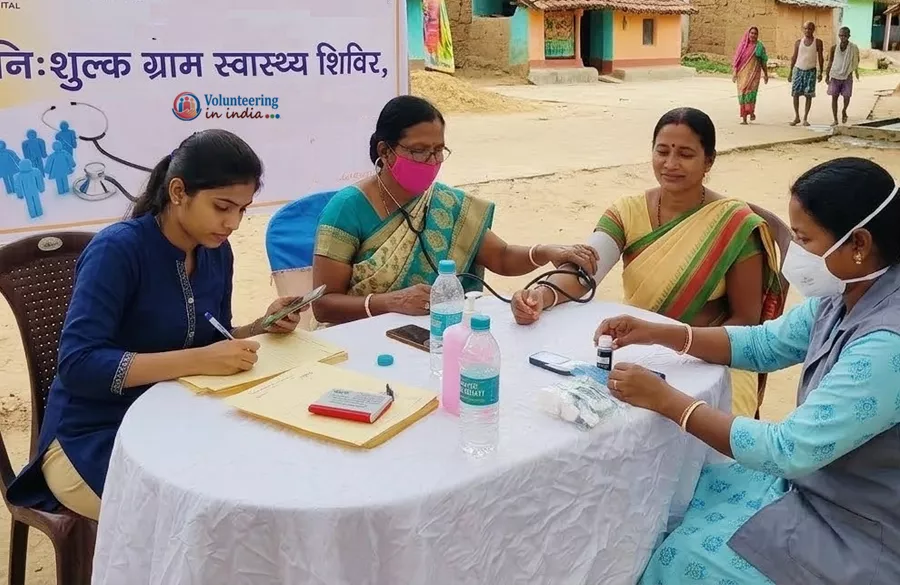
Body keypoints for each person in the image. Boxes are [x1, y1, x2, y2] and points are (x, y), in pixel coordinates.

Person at [597, 157, 900, 584]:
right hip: (819, 487)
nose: (796, 256)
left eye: (804, 239)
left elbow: (788, 450)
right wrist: (662, 333)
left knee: (678, 559)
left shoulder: (889, 345)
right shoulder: (845, 295)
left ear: (859, 244)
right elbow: (765, 343)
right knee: (671, 502)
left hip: (862, 528)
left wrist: (669, 402)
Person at [6, 129, 306, 521]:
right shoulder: (117, 251)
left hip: (176, 418)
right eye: (222, 207)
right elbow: (79, 364)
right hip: (92, 437)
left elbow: (214, 337)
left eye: (243, 210)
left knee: (267, 477)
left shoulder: (216, 252)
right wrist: (199, 359)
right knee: (202, 517)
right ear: (179, 192)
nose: (232, 222)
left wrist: (262, 326)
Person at [510, 107, 785, 418]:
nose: (670, 164)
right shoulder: (628, 211)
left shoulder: (735, 225)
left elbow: (746, 321)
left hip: (709, 363)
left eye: (685, 154)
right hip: (638, 350)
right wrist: (540, 297)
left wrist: (680, 345)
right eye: (662, 151)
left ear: (709, 160)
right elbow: (583, 271)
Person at [311, 95, 598, 325]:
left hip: (434, 338)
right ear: (385, 152)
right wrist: (391, 302)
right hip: (361, 340)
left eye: (438, 150)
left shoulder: (445, 203)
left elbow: (501, 256)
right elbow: (323, 306)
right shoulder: (345, 209)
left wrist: (546, 252)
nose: (431, 160)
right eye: (419, 150)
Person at [788, 21, 824, 127]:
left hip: (811, 71)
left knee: (809, 95)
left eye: (810, 28)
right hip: (798, 70)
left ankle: (805, 118)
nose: (807, 30)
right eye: (806, 28)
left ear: (813, 30)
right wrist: (790, 72)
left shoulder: (818, 42)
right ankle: (797, 117)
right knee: (795, 94)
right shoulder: (798, 42)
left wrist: (821, 72)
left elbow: (820, 58)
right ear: (803, 29)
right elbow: (794, 57)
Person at [732, 26, 769, 125]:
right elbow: (737, 60)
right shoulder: (743, 46)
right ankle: (744, 118)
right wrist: (734, 73)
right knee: (743, 94)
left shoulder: (759, 47)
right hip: (742, 74)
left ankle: (751, 112)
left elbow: (763, 62)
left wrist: (765, 74)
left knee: (751, 95)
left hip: (754, 74)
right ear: (748, 34)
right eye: (751, 33)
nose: (753, 35)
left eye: (755, 33)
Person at [826, 26, 861, 126]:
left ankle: (844, 110)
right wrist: (827, 75)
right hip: (835, 75)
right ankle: (835, 119)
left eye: (845, 35)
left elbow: (856, 60)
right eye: (841, 35)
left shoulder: (853, 48)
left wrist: (851, 68)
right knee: (834, 98)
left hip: (847, 75)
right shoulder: (834, 48)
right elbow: (830, 62)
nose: (843, 37)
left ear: (849, 36)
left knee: (847, 96)